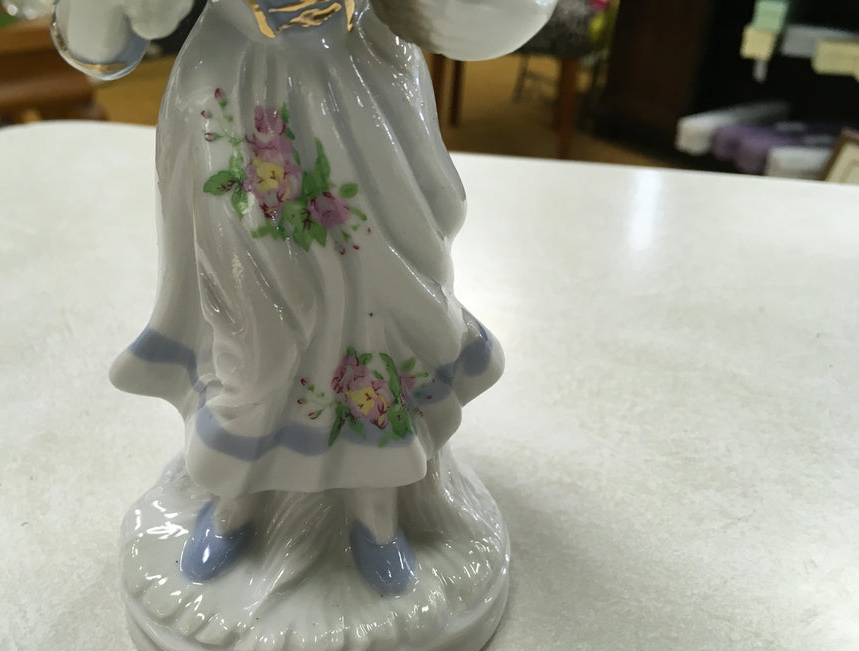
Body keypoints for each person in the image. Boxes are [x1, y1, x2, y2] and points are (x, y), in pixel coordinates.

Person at [54, 0, 553, 594]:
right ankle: (236, 499)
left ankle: (376, 510)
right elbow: (103, 46)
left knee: (372, 307)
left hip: (351, 78)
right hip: (237, 90)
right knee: (252, 319)